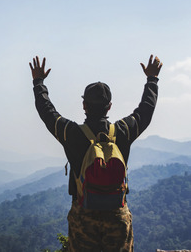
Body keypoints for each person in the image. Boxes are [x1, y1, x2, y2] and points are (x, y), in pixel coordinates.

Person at [29, 55, 162, 252]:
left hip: (83, 215)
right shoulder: (123, 131)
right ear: (109, 106)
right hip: (117, 214)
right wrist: (152, 80)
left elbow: (47, 112)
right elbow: (145, 111)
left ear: (84, 105)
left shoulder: (71, 133)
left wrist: (38, 82)